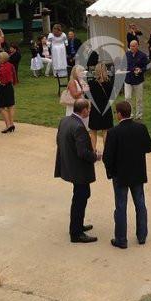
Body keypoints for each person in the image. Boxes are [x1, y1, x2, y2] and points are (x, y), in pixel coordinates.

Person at [103, 100, 151, 249]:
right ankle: (142, 236)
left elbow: (107, 157)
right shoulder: (141, 128)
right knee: (140, 204)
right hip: (137, 173)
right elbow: (148, 148)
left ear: (119, 114)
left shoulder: (113, 132)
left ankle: (121, 239)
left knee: (120, 206)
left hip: (120, 175)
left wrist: (110, 172)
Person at [54, 98, 99, 243]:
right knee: (80, 198)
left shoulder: (65, 120)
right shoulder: (79, 127)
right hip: (79, 170)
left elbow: (59, 140)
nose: (89, 111)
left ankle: (77, 225)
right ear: (84, 110)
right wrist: (96, 156)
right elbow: (83, 153)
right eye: (89, 109)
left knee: (80, 197)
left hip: (70, 166)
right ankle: (76, 233)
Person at [87, 62, 114, 150]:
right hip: (106, 109)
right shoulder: (109, 83)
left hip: (95, 109)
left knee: (93, 132)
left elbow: (87, 96)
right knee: (106, 131)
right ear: (106, 71)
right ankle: (106, 152)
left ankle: (93, 151)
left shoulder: (91, 83)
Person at [123, 40, 148, 120]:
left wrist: (141, 70)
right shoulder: (127, 54)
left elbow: (145, 67)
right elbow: (123, 65)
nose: (132, 48)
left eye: (133, 46)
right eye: (130, 46)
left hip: (138, 80)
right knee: (127, 97)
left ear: (137, 46)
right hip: (128, 79)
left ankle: (139, 115)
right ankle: (129, 115)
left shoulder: (142, 55)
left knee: (139, 99)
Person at [0, 51, 17, 133]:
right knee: (10, 106)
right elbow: (14, 75)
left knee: (1, 107)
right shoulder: (11, 65)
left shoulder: (1, 69)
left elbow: (3, 82)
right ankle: (11, 124)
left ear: (3, 59)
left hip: (4, 88)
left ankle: (8, 125)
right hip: (10, 87)